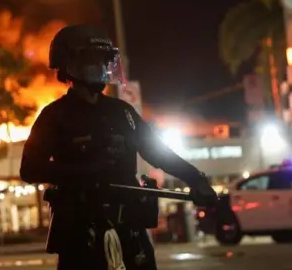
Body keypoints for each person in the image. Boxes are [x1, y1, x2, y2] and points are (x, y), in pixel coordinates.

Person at [20, 24, 217, 270]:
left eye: (104, 60)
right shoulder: (54, 116)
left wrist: (195, 178)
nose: (100, 67)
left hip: (129, 231)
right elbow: (29, 168)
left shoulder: (122, 112)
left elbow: (156, 152)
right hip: (81, 237)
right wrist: (83, 171)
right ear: (68, 64)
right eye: (92, 59)